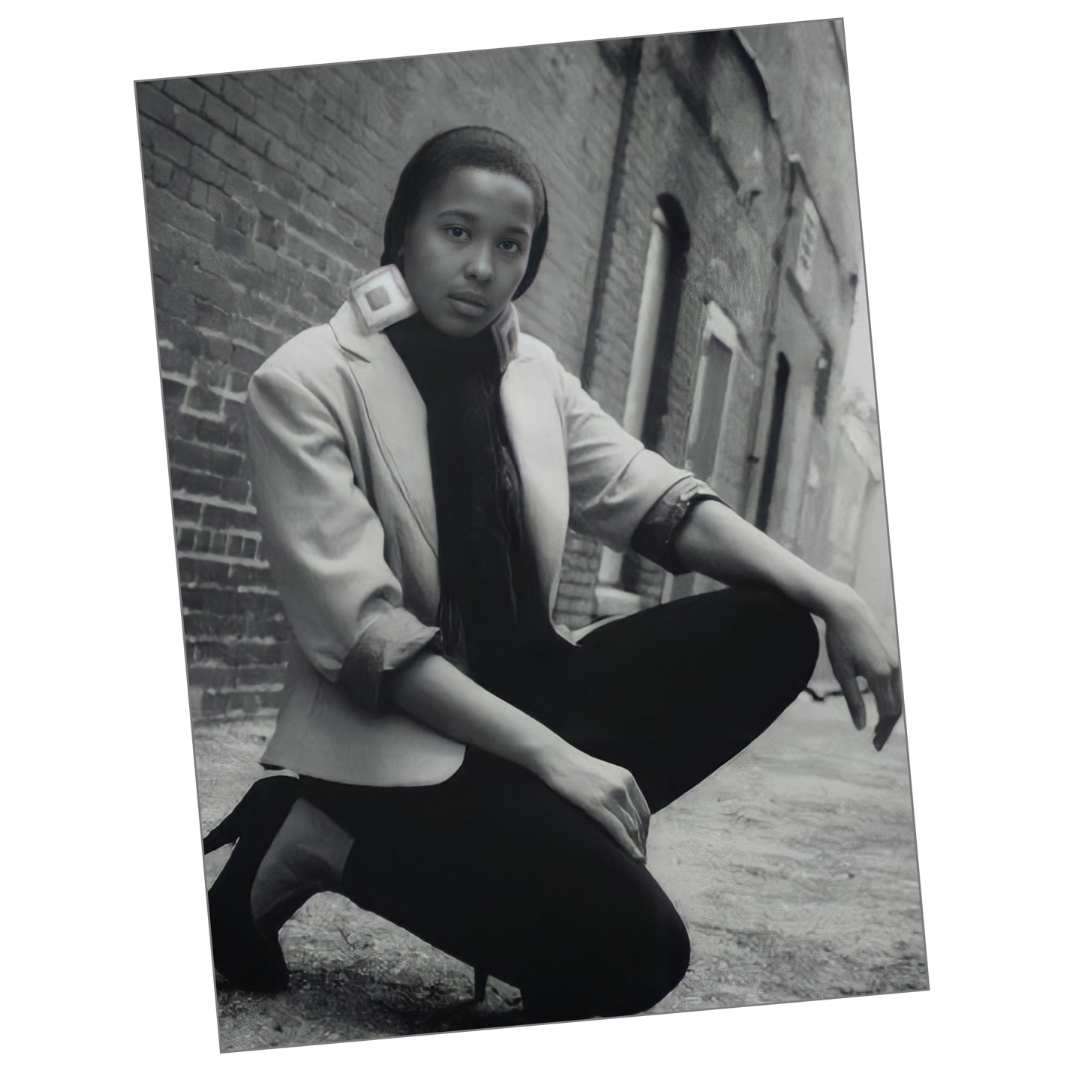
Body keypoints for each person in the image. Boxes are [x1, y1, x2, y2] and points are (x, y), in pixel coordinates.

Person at [201, 126, 902, 1024]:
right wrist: (558, 761)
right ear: (403, 230)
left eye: (511, 244)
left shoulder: (531, 374)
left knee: (774, 628)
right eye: (457, 231)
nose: (482, 267)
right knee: (638, 958)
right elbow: (368, 643)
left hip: (526, 695)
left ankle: (535, 855)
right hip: (391, 736)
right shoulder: (304, 382)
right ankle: (317, 837)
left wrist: (832, 595)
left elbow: (658, 500)